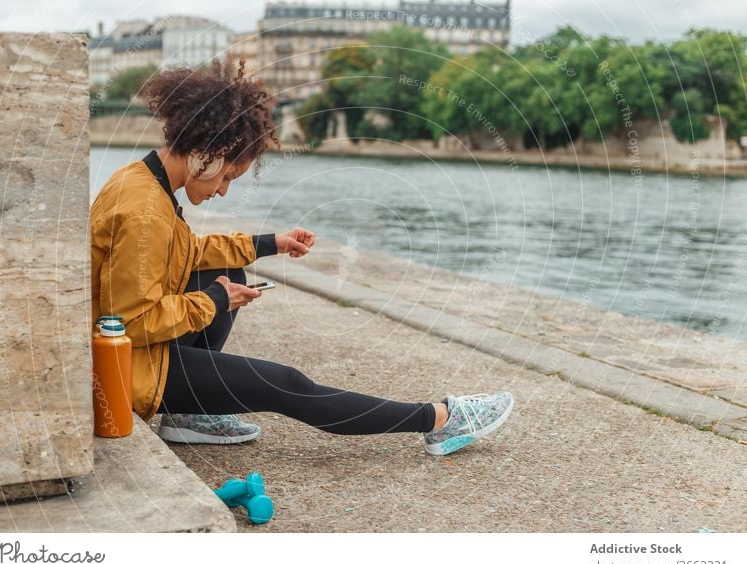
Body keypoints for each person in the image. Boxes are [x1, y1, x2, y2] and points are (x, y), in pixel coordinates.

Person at [89, 58, 514, 456]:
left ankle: (189, 413)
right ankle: (439, 419)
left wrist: (270, 243)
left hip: (128, 353)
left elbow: (188, 253)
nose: (223, 190)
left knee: (225, 267)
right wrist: (217, 301)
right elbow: (131, 321)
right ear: (210, 154)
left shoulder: (143, 180)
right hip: (126, 371)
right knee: (287, 384)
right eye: (230, 176)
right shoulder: (145, 212)